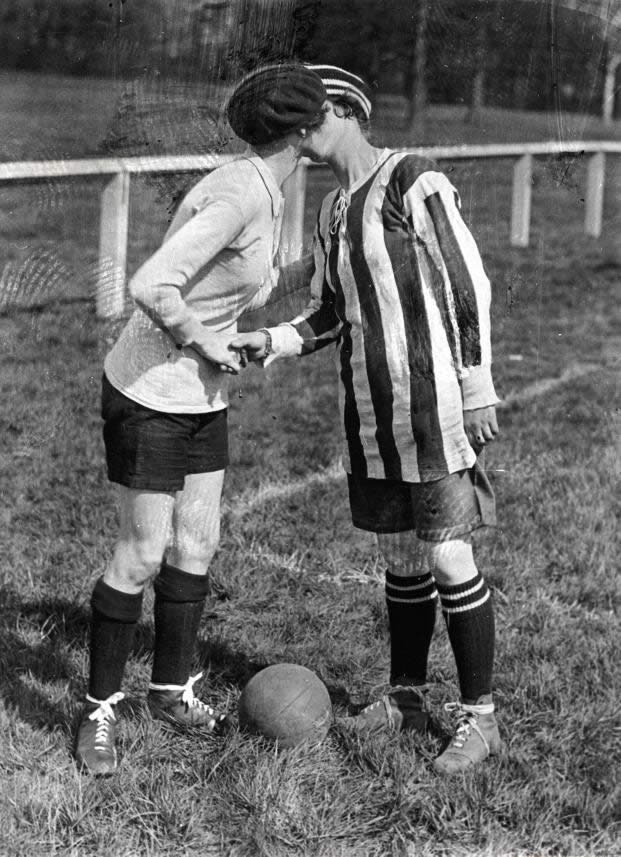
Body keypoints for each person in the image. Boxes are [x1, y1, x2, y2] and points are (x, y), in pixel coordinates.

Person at [231, 64, 502, 774]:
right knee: (402, 561)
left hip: (434, 406)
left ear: (349, 112)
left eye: (312, 121)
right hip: (369, 416)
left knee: (447, 554)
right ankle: (405, 695)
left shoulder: (411, 178)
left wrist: (476, 384)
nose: (304, 138)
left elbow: (465, 279)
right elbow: (329, 310)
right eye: (296, 128)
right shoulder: (329, 211)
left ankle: (480, 718)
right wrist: (277, 340)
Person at [75, 64, 329, 775]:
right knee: (141, 552)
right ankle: (97, 709)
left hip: (199, 397)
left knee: (198, 542)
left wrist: (326, 265)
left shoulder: (265, 185)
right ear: (304, 131)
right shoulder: (238, 192)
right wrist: (200, 338)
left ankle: (168, 689)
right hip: (151, 391)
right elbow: (152, 282)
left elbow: (242, 282)